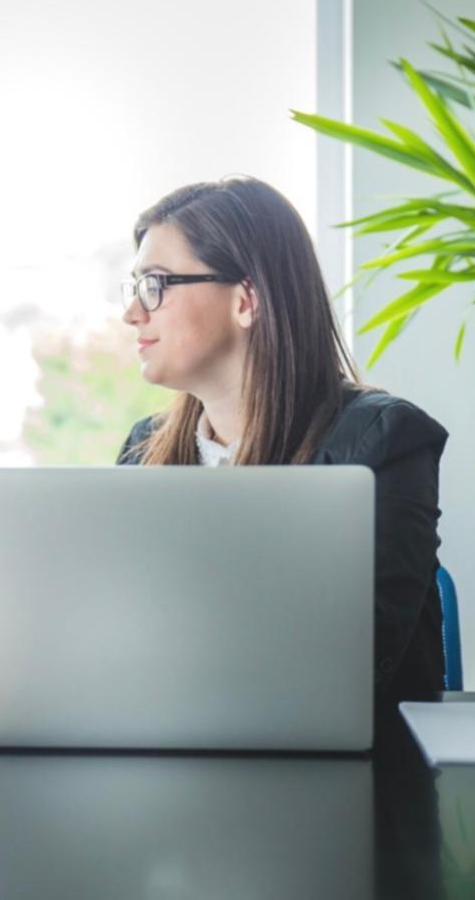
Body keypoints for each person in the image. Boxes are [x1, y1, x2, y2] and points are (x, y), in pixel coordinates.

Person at [116, 177, 448, 700]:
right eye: (134, 288)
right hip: (172, 749)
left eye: (155, 284)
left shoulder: (382, 442)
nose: (133, 313)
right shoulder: (144, 449)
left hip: (350, 769)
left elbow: (349, 668)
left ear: (246, 300)